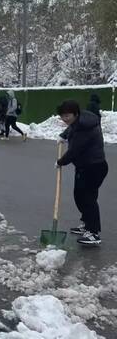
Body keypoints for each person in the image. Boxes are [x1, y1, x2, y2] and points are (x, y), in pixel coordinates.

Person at [56, 100, 107, 246]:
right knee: (79, 196)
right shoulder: (80, 120)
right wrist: (63, 135)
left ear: (75, 114)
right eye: (62, 116)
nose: (65, 119)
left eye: (67, 116)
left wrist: (60, 162)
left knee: (88, 199)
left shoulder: (85, 128)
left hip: (94, 167)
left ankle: (93, 232)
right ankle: (87, 223)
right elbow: (72, 128)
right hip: (84, 166)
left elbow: (73, 151)